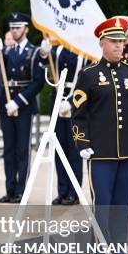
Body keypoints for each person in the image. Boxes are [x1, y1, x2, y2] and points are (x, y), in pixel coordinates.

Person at [72, 16, 128, 254]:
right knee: (103, 202)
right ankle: (101, 250)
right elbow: (79, 115)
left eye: (121, 41)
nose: (119, 46)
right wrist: (81, 142)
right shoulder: (89, 75)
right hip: (101, 151)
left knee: (122, 202)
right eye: (113, 42)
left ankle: (118, 250)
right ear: (102, 44)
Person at [0, 12, 47, 203]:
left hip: (23, 105)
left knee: (22, 149)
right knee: (9, 149)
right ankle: (10, 189)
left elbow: (38, 82)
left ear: (26, 29)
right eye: (12, 27)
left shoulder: (33, 52)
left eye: (18, 27)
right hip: (6, 104)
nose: (14, 31)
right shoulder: (6, 51)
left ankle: (22, 190)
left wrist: (19, 100)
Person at [43, 36, 85, 205]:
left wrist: (71, 100)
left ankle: (74, 192)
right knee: (59, 148)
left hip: (75, 102)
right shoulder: (58, 50)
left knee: (73, 150)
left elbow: (86, 81)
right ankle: (62, 190)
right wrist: (43, 52)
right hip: (57, 100)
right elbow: (44, 63)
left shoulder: (84, 53)